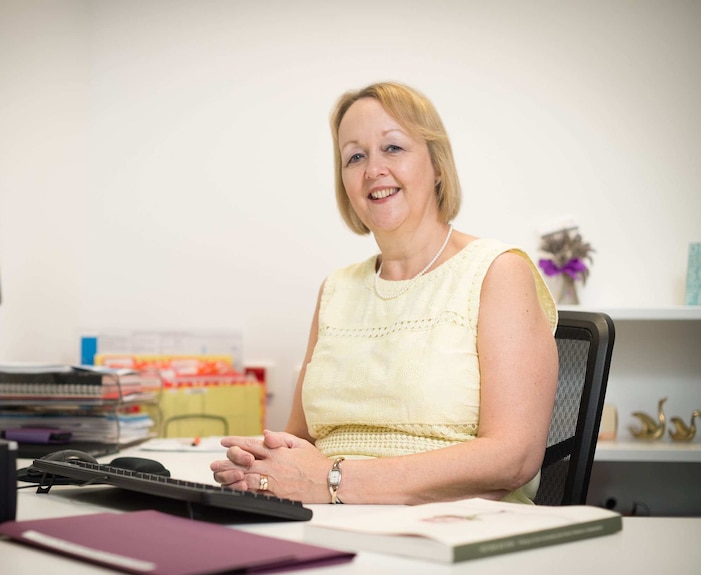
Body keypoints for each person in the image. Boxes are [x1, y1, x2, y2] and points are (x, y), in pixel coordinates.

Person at [210, 82, 558, 505]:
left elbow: (513, 458)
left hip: (457, 528)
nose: (373, 169)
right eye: (355, 156)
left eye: (392, 148)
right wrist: (261, 465)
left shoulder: (498, 272)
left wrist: (333, 481)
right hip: (334, 519)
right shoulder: (336, 290)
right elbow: (301, 441)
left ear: (437, 165)